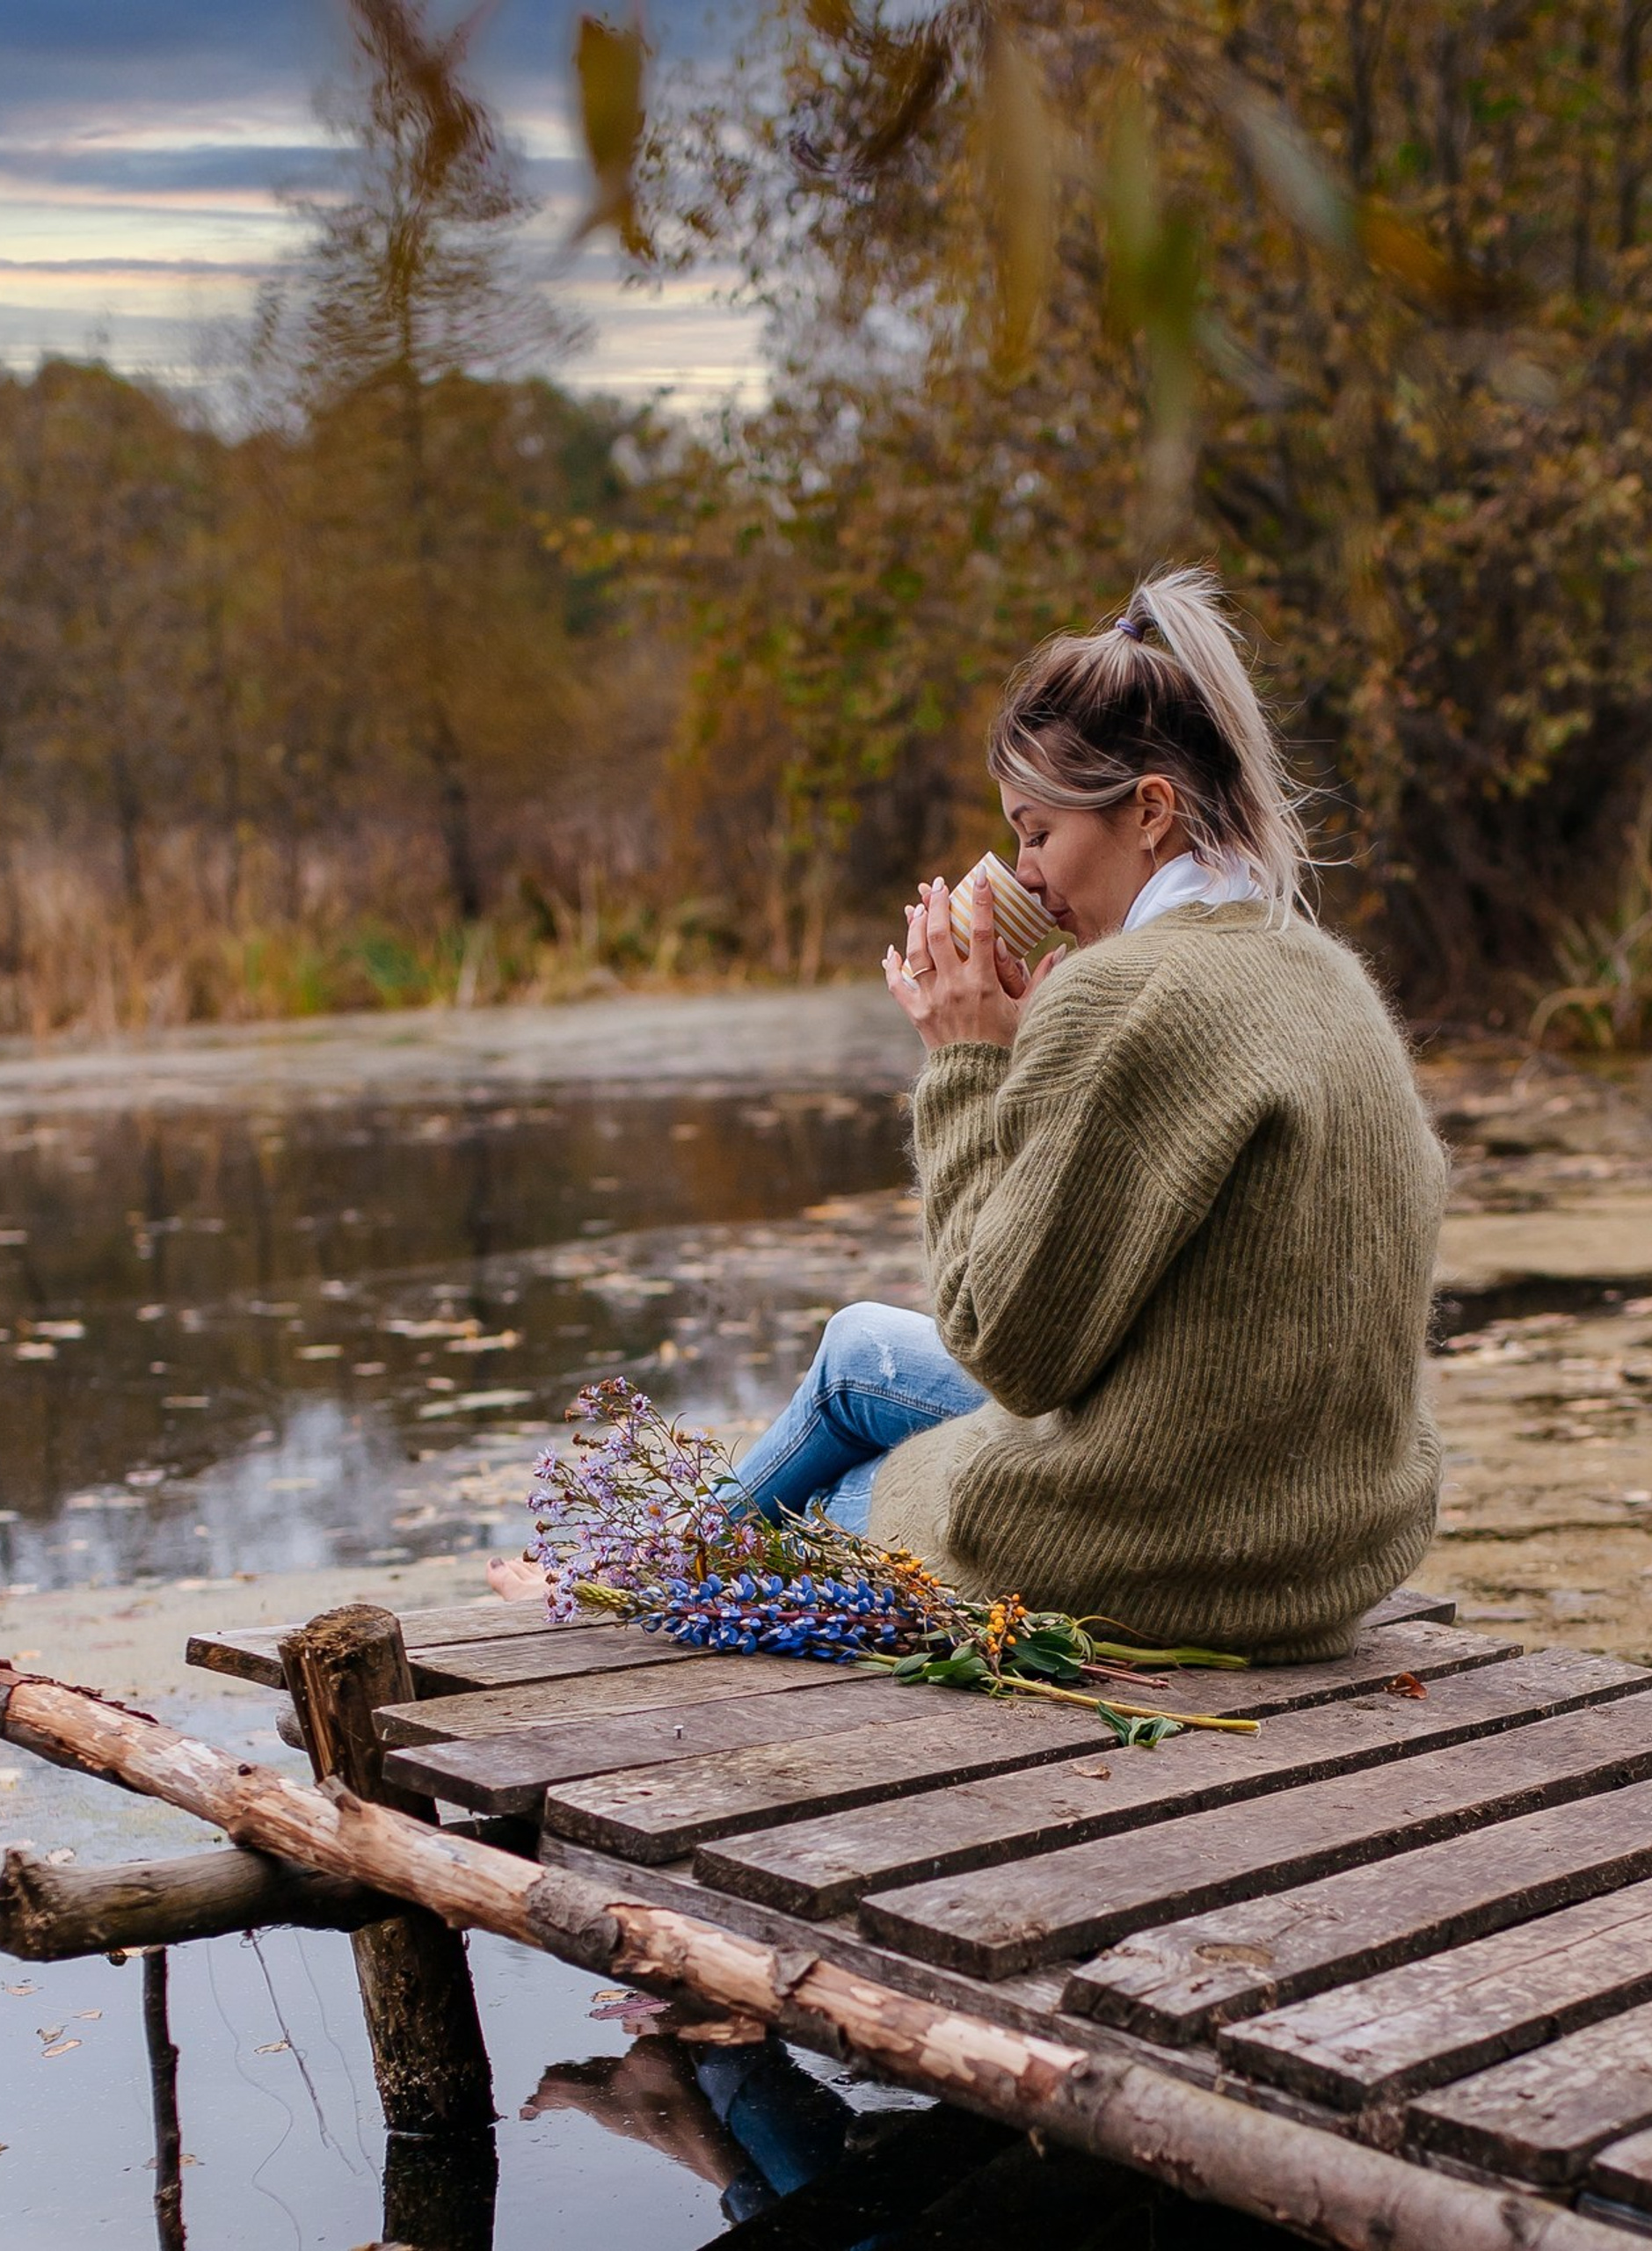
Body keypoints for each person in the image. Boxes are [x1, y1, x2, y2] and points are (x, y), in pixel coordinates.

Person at [496, 565, 1447, 1658]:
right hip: (1327, 1555)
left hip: (1167, 1562)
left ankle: (617, 1595)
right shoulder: (1324, 974)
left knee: (849, 1483)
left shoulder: (1128, 994)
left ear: (1148, 811)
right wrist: (1026, 1050)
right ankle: (635, 1573)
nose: (1024, 874)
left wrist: (959, 1062)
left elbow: (1006, 1346)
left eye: (1037, 833)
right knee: (859, 1348)